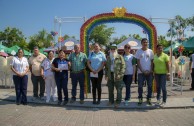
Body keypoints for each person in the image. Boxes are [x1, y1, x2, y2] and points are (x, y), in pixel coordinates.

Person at [135, 38, 154, 106]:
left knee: (150, 86)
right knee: (140, 86)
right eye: (144, 42)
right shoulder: (138, 51)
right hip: (141, 72)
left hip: (149, 72)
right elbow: (138, 62)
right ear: (141, 43)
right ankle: (140, 98)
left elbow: (152, 62)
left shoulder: (150, 51)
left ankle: (149, 99)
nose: (145, 43)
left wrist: (150, 70)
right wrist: (142, 70)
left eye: (146, 42)